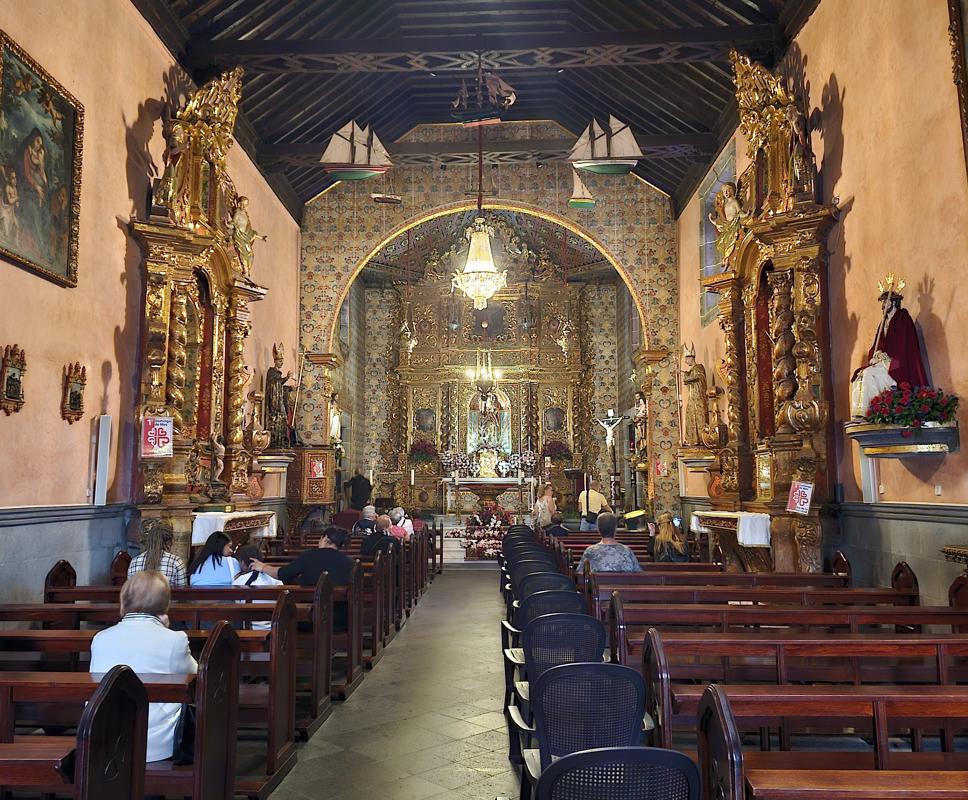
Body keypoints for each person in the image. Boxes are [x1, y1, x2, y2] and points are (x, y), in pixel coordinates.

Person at [89, 571, 197, 762]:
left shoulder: (100, 638)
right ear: (164, 604)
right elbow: (196, 675)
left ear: (124, 600)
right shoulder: (175, 640)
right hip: (155, 743)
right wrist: (165, 630)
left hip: (106, 738)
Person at [850, 275, 929, 418]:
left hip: (898, 367)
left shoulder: (903, 318)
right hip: (884, 364)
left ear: (893, 302)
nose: (883, 305)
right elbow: (876, 346)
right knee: (860, 375)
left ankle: (871, 413)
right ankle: (861, 414)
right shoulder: (883, 323)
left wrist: (886, 357)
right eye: (883, 302)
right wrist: (876, 354)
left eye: (886, 302)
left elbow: (904, 347)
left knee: (868, 374)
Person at [251, 527, 354, 631]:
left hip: (310, 620)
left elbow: (283, 574)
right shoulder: (349, 563)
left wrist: (263, 567)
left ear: (325, 538)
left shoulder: (309, 556)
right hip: (340, 621)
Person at [232, 545, 282, 631]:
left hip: (248, 628)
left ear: (242, 563)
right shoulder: (275, 579)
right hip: (274, 627)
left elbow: (237, 606)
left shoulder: (238, 581)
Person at [128, 519, 187, 588]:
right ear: (168, 542)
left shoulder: (134, 562)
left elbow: (130, 590)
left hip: (140, 595)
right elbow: (182, 591)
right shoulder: (175, 561)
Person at [576, 512, 641, 573]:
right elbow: (638, 573)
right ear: (615, 529)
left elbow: (580, 574)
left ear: (598, 530)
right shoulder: (627, 551)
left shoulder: (589, 551)